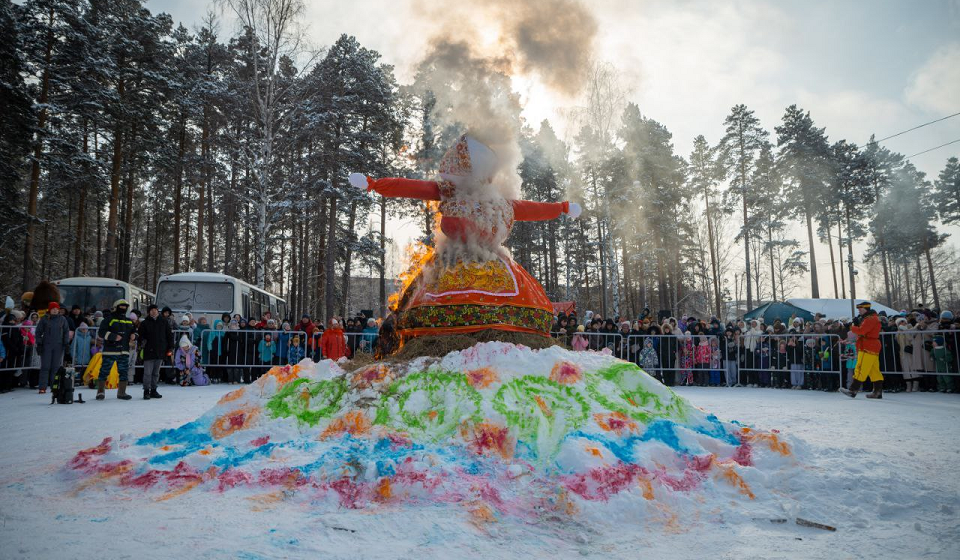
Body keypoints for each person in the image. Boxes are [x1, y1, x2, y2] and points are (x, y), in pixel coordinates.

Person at [841, 302, 884, 399]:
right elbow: (863, 330)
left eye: (860, 309)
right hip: (871, 345)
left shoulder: (870, 319)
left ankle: (853, 390)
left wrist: (851, 327)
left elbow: (861, 331)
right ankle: (877, 392)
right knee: (874, 371)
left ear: (866, 309)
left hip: (867, 346)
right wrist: (856, 324)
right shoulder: (871, 318)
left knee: (860, 368)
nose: (859, 310)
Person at [97, 299, 136, 400]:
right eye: (121, 306)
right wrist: (113, 336)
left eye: (125, 307)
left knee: (123, 372)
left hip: (124, 351)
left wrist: (134, 335)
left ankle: (122, 393)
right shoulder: (108, 319)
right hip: (110, 350)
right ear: (116, 307)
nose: (123, 308)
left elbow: (135, 331)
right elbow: (101, 332)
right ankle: (100, 392)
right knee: (104, 371)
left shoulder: (129, 320)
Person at [138, 304, 173, 400]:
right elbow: (140, 336)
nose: (153, 311)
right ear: (149, 312)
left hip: (160, 351)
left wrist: (170, 347)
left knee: (156, 373)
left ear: (158, 311)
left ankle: (153, 390)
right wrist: (142, 341)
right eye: (151, 310)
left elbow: (169, 335)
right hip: (148, 351)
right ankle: (146, 391)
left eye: (155, 310)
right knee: (147, 373)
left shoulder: (164, 322)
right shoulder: (145, 323)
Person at [35, 302, 70, 394]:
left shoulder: (62, 319)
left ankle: (54, 386)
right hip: (47, 345)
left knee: (55, 367)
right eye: (53, 308)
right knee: (45, 366)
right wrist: (39, 343)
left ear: (58, 310)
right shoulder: (44, 319)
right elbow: (38, 332)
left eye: (56, 308)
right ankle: (42, 387)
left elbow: (66, 332)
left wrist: (66, 344)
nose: (55, 310)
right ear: (49, 310)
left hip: (58, 345)